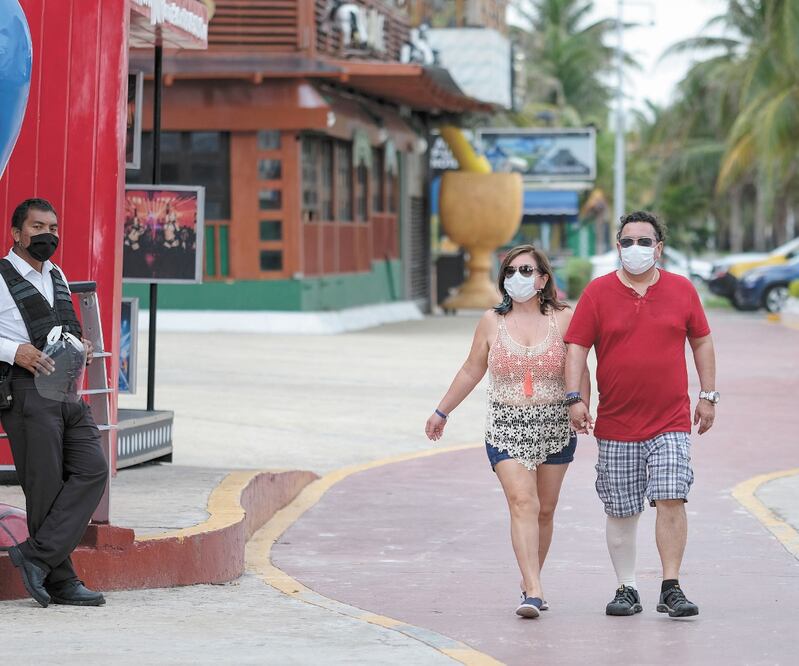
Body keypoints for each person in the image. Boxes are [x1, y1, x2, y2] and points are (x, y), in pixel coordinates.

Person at [564, 211, 717, 619]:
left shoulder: (682, 290)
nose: (636, 249)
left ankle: (671, 586)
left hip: (670, 421)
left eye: (644, 242)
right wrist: (574, 398)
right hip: (616, 423)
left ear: (659, 248)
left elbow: (702, 342)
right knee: (621, 508)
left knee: (671, 494)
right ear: (618, 247)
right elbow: (577, 349)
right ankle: (627, 587)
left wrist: (708, 396)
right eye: (628, 242)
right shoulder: (597, 293)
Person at [425, 245, 590, 619]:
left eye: (526, 271)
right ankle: (533, 590)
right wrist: (442, 411)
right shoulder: (491, 321)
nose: (518, 277)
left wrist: (581, 404)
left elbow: (580, 367)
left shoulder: (564, 318)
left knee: (544, 510)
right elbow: (471, 369)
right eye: (510, 271)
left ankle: (531, 578)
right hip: (506, 427)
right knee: (523, 502)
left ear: (543, 278)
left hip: (555, 426)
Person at [0, 198, 108, 607]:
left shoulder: (56, 273)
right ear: (17, 233)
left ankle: (36, 556)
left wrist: (82, 345)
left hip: (65, 388)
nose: (47, 235)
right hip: (25, 389)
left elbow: (60, 325)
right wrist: (14, 351)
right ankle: (62, 581)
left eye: (53, 228)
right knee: (44, 485)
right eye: (38, 227)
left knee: (92, 469)